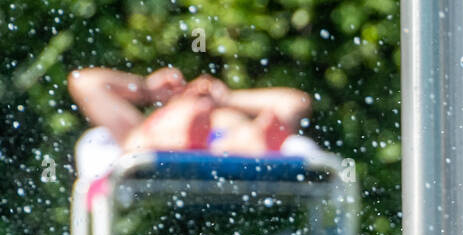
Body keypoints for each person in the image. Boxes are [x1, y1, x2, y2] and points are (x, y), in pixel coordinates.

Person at [67, 67, 313, 158]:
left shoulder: (224, 114)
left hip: (227, 146)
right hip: (157, 144)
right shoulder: (141, 122)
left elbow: (296, 103)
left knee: (246, 136)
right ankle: (182, 139)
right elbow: (83, 81)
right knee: (139, 140)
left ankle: (259, 141)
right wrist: (146, 88)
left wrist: (229, 98)